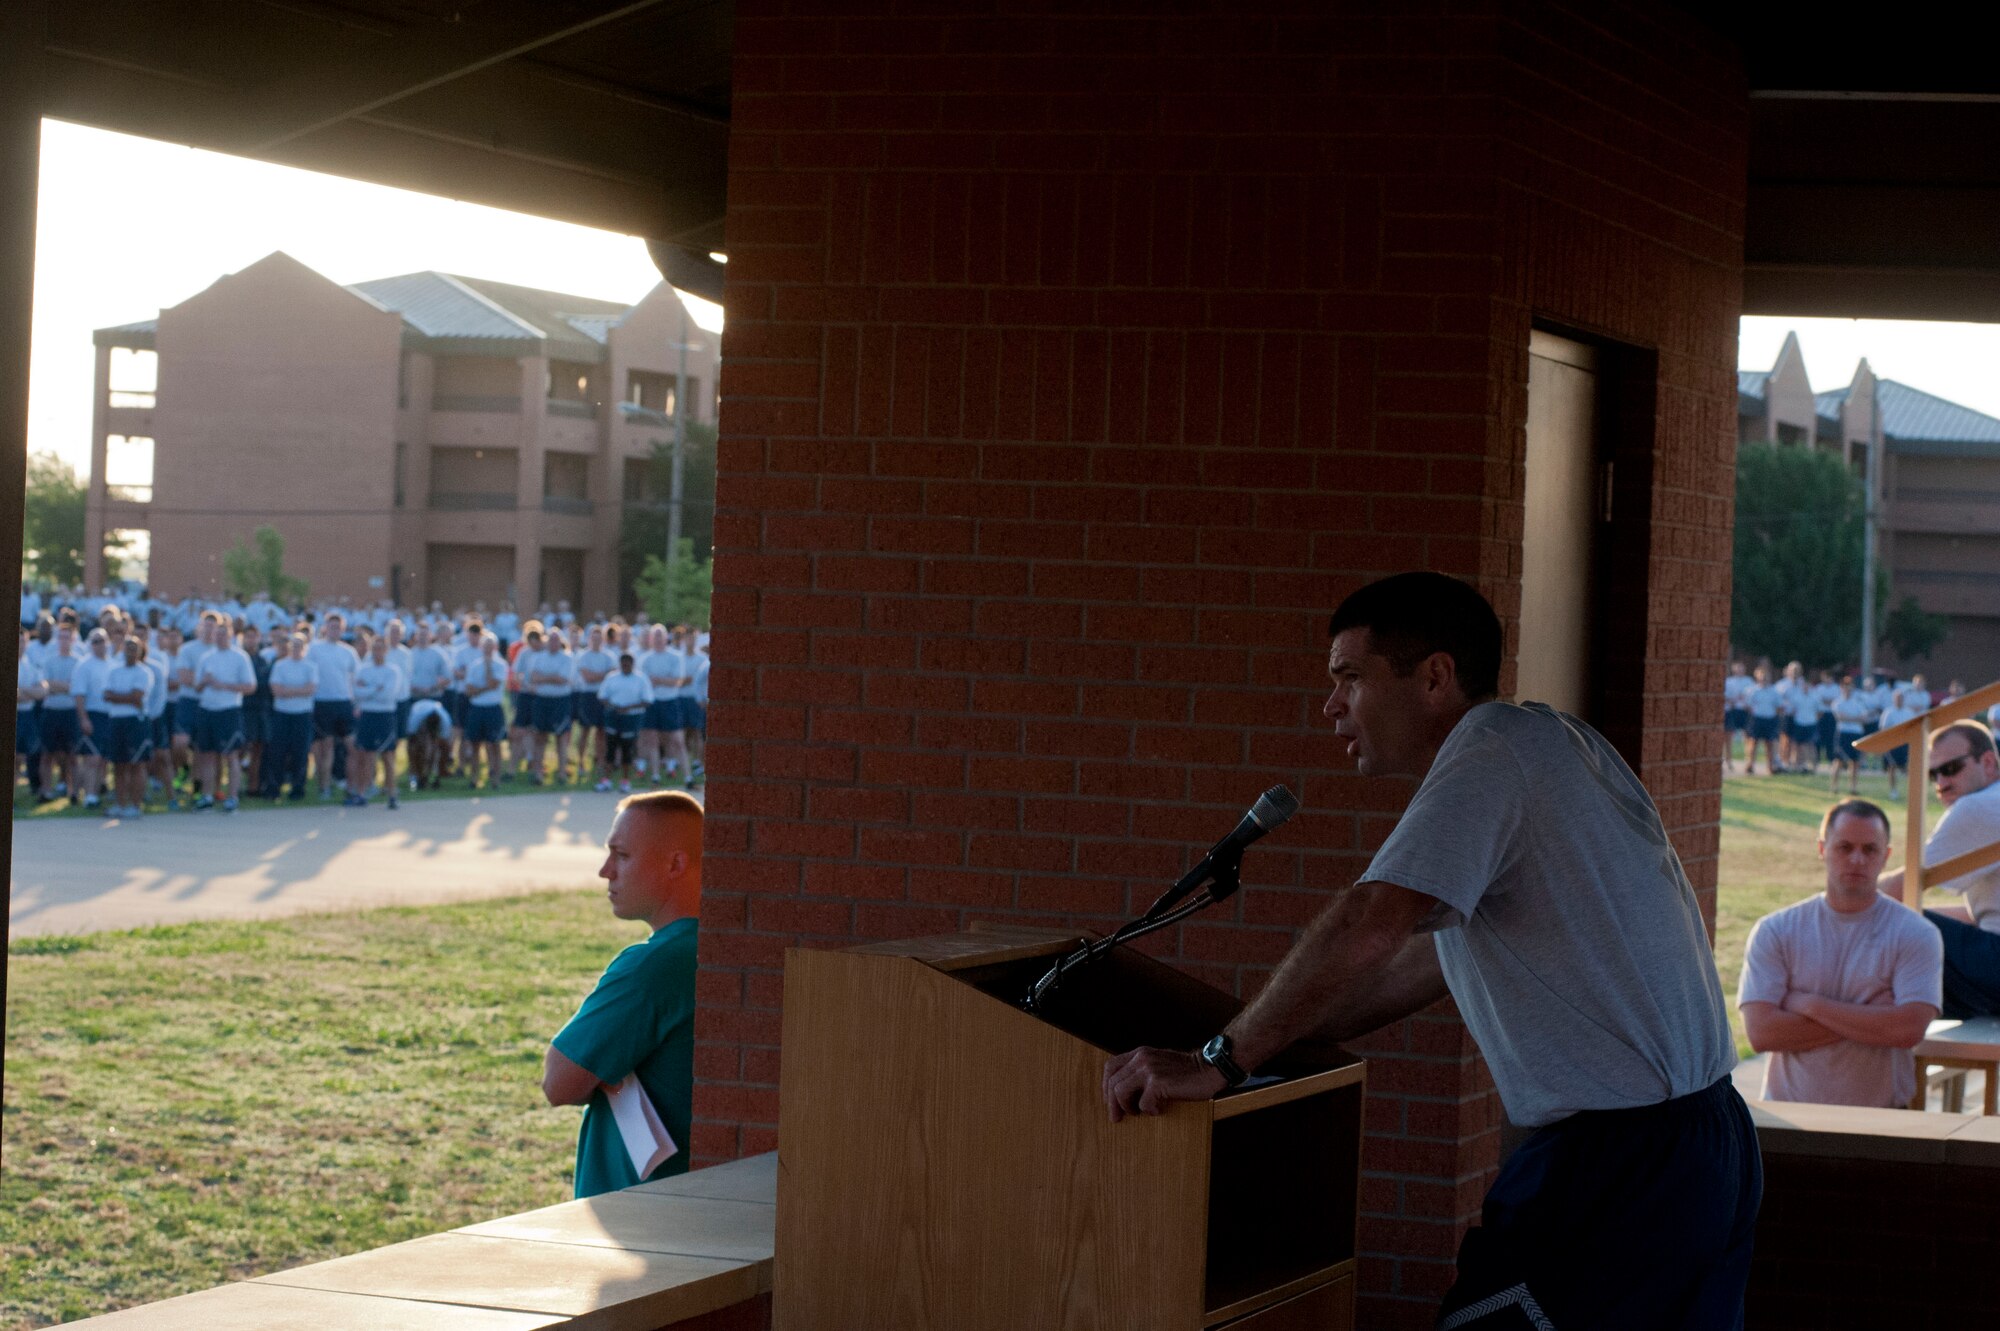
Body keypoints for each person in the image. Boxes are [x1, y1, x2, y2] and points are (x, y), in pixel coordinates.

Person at [1100, 572, 1757, 1329]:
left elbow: (1371, 922)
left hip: (1624, 1164)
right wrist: (1260, 1039)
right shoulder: (1551, 743)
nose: (1332, 704)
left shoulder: (1491, 749)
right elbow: (1415, 965)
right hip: (1698, 1146)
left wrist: (1217, 1060)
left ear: (1435, 677)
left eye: (1351, 677)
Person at [542, 790, 702, 1198]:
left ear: (675, 864)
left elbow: (559, 1083)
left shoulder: (654, 965)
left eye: (622, 855)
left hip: (638, 1208)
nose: (605, 871)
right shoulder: (717, 949)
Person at [1738, 800, 1941, 1108]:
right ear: (1822, 849)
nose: (1857, 859)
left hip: (1883, 1120)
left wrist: (1809, 1004)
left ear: (1886, 856)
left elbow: (1908, 1029)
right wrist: (1872, 1017)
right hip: (1791, 1117)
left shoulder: (1916, 933)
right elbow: (1762, 1033)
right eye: (1845, 847)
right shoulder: (1776, 930)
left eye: (1870, 849)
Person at [1884, 720, 2000, 1019]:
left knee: (1874, 921)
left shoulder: (1977, 807)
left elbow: (1897, 888)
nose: (1941, 784)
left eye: (1951, 769)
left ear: (1988, 762)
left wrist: (1822, 908)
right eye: (1932, 774)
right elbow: (1984, 915)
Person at [192, 623, 255, 811]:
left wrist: (225, 686)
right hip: (207, 709)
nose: (220, 638)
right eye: (217, 634)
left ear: (231, 635)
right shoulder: (206, 657)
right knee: (207, 755)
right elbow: (196, 687)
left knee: (231, 755)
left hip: (228, 710)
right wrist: (205, 681)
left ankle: (232, 797)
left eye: (223, 634)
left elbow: (250, 686)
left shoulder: (240, 657)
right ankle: (207, 796)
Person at [101, 635, 157, 819]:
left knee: (137, 764)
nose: (131, 652)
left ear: (140, 651)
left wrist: (118, 697)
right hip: (116, 720)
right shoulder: (114, 671)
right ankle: (120, 804)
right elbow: (106, 695)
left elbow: (137, 697)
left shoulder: (144, 672)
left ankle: (135, 805)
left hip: (136, 722)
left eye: (135, 648)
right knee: (119, 764)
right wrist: (126, 697)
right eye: (128, 648)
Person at [307, 613, 360, 799]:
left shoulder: (348, 652)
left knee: (352, 747)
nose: (334, 630)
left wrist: (357, 703)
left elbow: (357, 679)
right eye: (331, 626)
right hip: (322, 702)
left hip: (344, 702)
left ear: (343, 630)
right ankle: (325, 787)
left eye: (338, 627)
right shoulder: (314, 649)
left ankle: (351, 787)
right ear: (325, 628)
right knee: (326, 748)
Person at [351, 634, 404, 809]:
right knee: (365, 755)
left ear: (386, 650)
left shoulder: (393, 671)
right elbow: (357, 693)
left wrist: (368, 689)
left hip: (385, 716)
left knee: (387, 756)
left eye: (380, 648)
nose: (377, 652)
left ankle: (391, 794)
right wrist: (376, 688)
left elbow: (388, 695)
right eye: (374, 648)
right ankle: (361, 793)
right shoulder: (363, 669)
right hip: (368, 715)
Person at [266, 633, 317, 801]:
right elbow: (276, 690)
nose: (296, 649)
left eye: (299, 645)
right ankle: (274, 788)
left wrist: (288, 690)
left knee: (300, 753)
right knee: (277, 752)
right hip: (282, 713)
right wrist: (299, 690)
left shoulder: (310, 666)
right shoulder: (280, 665)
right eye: (293, 645)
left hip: (302, 714)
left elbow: (310, 689)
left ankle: (298, 789)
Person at [595, 651, 653, 793]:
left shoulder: (641, 679)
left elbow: (647, 700)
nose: (625, 665)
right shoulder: (611, 677)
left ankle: (625, 781)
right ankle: (606, 780)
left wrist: (629, 707)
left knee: (627, 750)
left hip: (631, 718)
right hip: (613, 716)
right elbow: (602, 696)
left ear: (633, 664)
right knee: (610, 749)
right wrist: (614, 706)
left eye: (628, 662)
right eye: (623, 662)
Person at [461, 633, 509, 789]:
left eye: (490, 646)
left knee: (494, 744)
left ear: (495, 647)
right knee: (474, 744)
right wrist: (484, 689)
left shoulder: (500, 664)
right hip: (477, 708)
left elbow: (493, 683)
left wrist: (488, 667)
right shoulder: (474, 665)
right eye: (485, 646)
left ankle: (496, 778)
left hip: (493, 708)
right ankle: (474, 778)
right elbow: (469, 690)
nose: (487, 649)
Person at [1830, 676, 1869, 796]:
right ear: (1841, 688)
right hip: (1843, 733)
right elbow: (1840, 717)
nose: (1847, 689)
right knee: (1839, 760)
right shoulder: (1837, 702)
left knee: (1855, 762)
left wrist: (1849, 718)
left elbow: (1864, 718)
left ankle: (1853, 787)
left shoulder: (1858, 702)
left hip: (1856, 733)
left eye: (1849, 686)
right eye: (1845, 686)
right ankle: (1834, 786)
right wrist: (1855, 718)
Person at [1878, 689, 1916, 799]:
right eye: (1897, 698)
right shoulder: (1888, 712)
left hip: (1905, 743)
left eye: (1901, 698)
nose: (1899, 700)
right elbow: (1883, 729)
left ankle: (1912, 791)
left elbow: (1913, 728)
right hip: (1893, 743)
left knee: (1908, 767)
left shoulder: (1909, 712)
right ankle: (1893, 790)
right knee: (1892, 766)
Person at [1745, 664, 1781, 777]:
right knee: (1753, 742)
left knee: (1769, 744)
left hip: (1769, 719)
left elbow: (1778, 706)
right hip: (1757, 719)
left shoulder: (1774, 691)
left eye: (1766, 676)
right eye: (1762, 675)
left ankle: (1770, 766)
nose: (1764, 678)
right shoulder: (1752, 690)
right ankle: (1750, 765)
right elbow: (1748, 705)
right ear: (1757, 676)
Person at [1722, 662, 1752, 772]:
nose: (1739, 670)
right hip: (1732, 710)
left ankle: (1749, 762)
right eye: (1738, 668)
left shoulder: (1749, 681)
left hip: (1744, 711)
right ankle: (1728, 760)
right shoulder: (1729, 681)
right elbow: (1725, 696)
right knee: (1728, 737)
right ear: (1734, 670)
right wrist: (1733, 700)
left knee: (1748, 737)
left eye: (1741, 668)